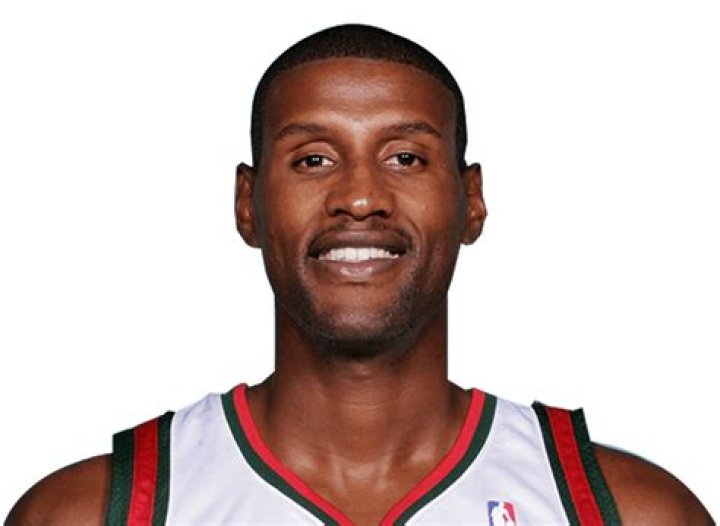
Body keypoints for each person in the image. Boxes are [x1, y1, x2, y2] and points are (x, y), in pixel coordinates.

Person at [7, 24, 712, 526]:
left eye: (406, 157)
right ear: (248, 204)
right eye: (313, 159)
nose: (361, 196)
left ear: (470, 200)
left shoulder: (630, 512)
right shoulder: (89, 513)